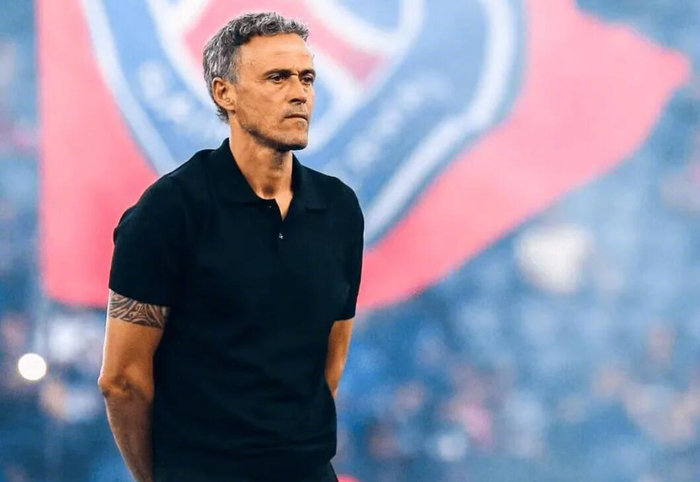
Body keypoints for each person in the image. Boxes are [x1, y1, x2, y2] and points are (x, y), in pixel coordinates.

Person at [97, 12, 364, 482]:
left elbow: (331, 358)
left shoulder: (339, 208)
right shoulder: (169, 211)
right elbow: (121, 381)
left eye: (306, 78)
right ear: (225, 93)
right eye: (277, 78)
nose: (299, 93)